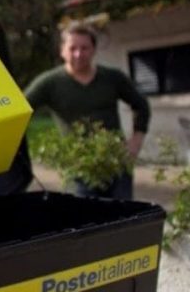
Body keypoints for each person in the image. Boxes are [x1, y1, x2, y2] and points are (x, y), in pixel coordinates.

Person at [24, 25, 151, 200]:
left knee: (122, 218)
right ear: (62, 51)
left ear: (93, 50)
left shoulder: (112, 78)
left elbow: (141, 105)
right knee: (87, 219)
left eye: (84, 48)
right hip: (78, 166)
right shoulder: (49, 83)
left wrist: (136, 141)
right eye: (72, 48)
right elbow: (22, 110)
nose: (78, 54)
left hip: (117, 163)